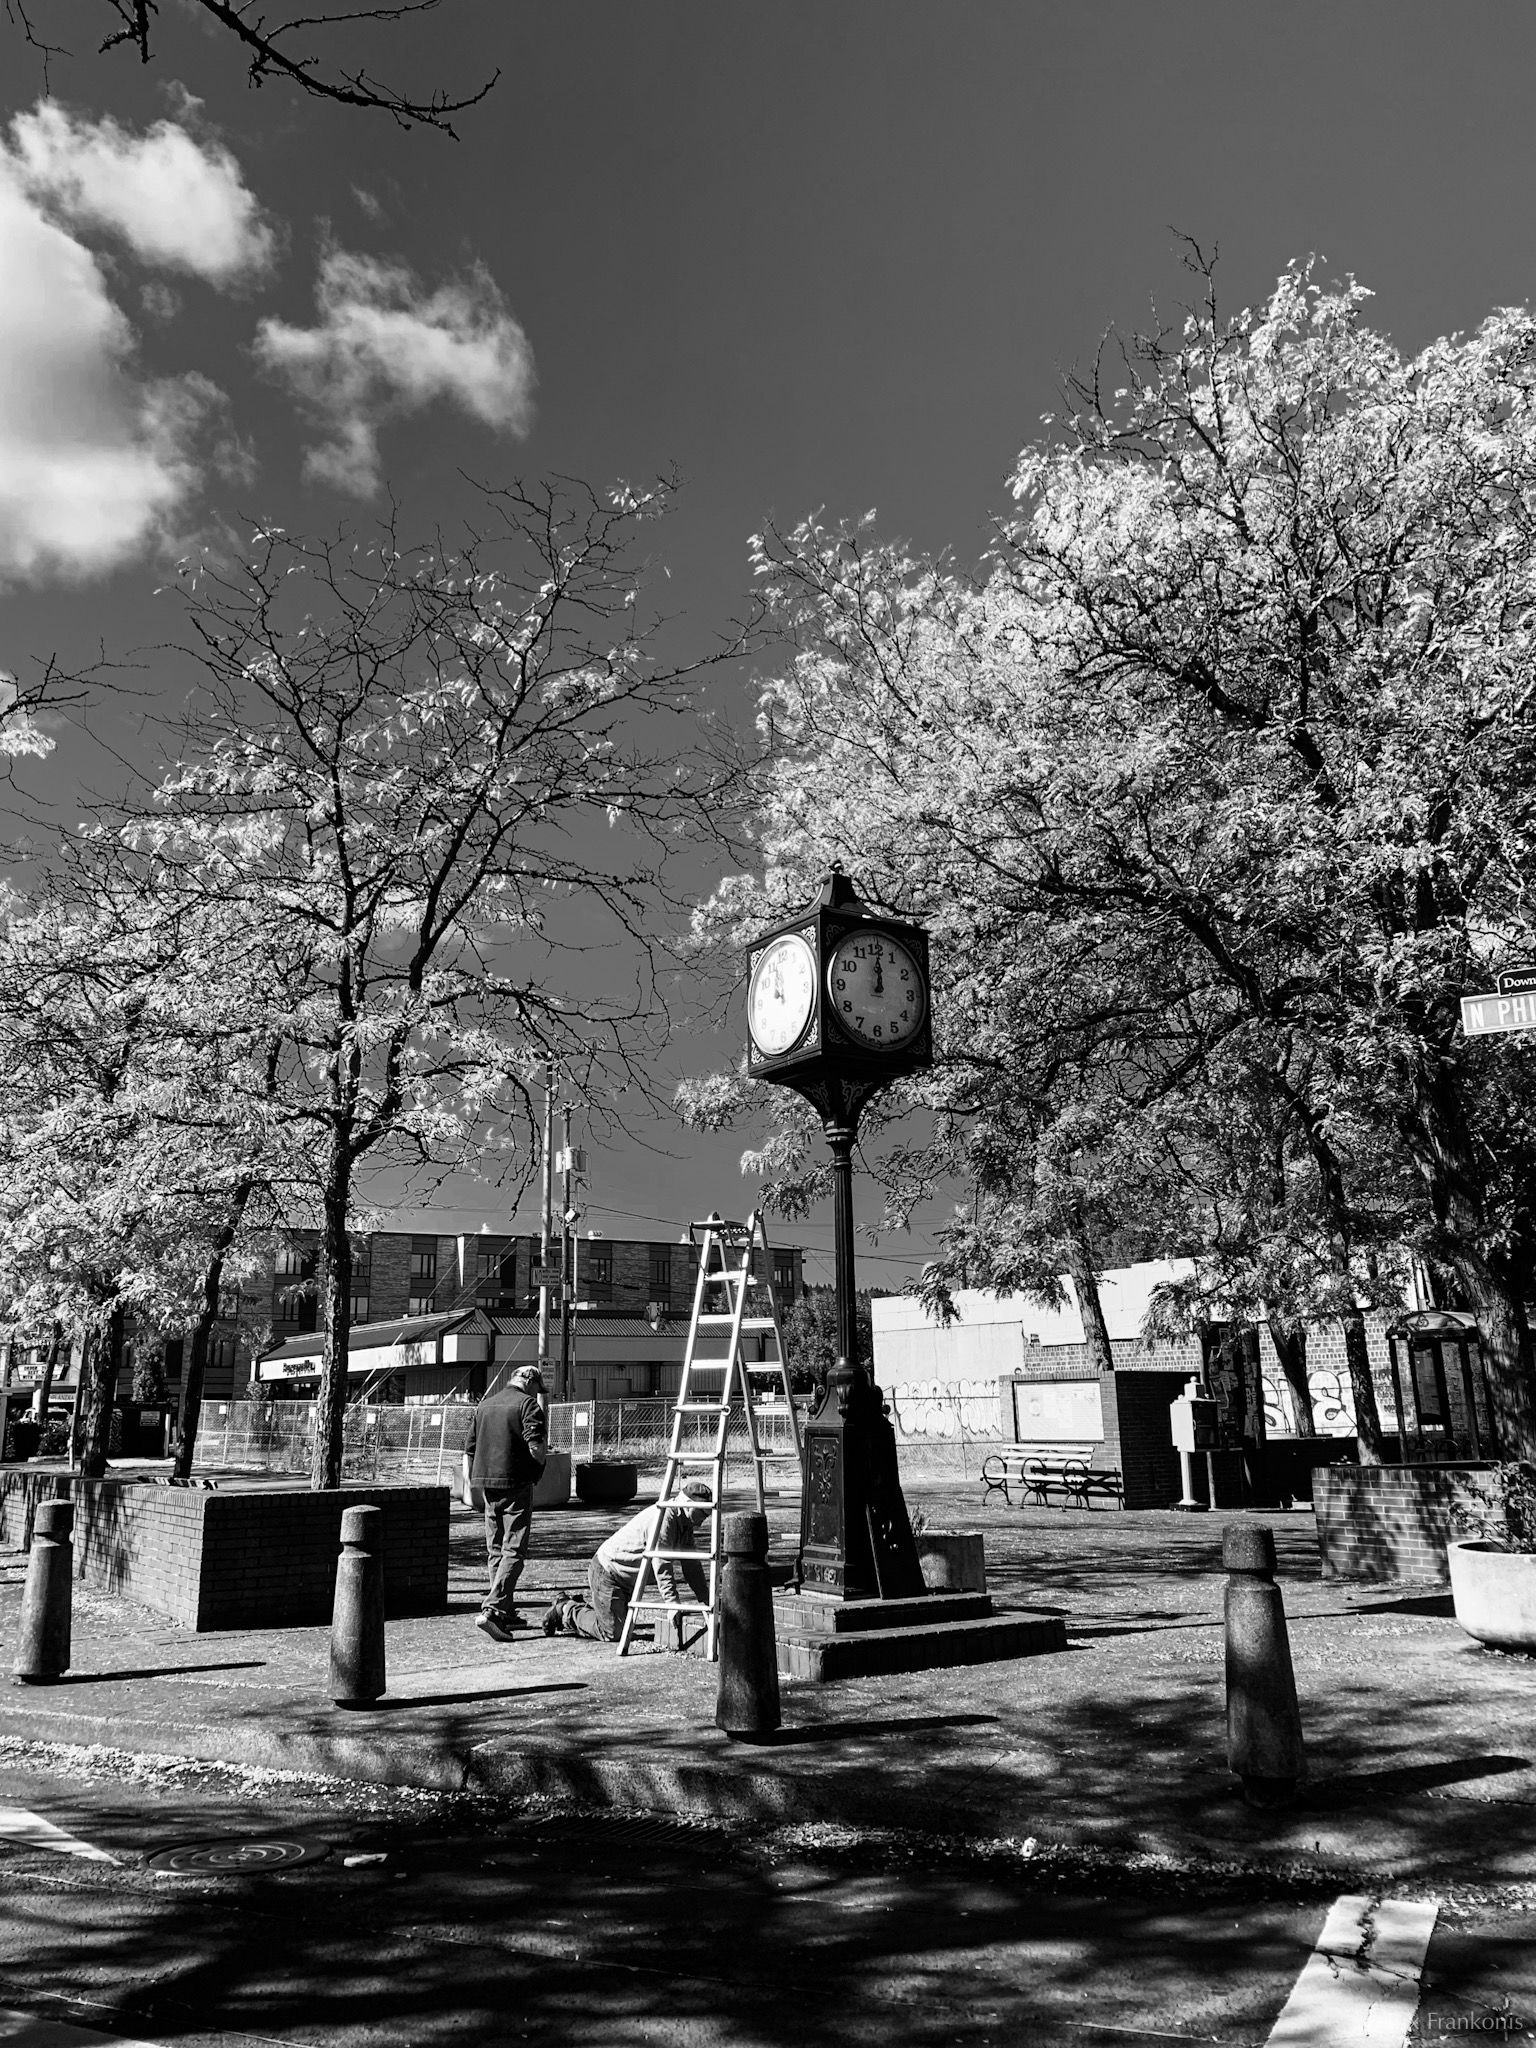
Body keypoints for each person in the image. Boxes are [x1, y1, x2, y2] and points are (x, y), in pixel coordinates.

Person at [544, 1479, 713, 1648]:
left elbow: (692, 1566)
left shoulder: (684, 1523)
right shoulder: (665, 1518)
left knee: (621, 1625)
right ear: (688, 1504)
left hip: (626, 1580)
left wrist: (708, 1601)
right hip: (608, 1573)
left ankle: (591, 1609)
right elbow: (661, 1563)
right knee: (612, 1632)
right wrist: (672, 1603)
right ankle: (567, 1609)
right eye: (703, 1513)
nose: (703, 1520)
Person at [463, 1362, 548, 1640]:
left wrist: (470, 1487)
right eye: (538, 1387)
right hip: (516, 1483)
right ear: (529, 1380)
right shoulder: (528, 1406)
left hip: (487, 1484)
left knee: (496, 1549)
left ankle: (504, 1612)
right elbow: (535, 1446)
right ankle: (493, 1609)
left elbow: (469, 1450)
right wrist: (538, 1468)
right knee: (514, 1549)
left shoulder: (485, 1405)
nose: (538, 1393)